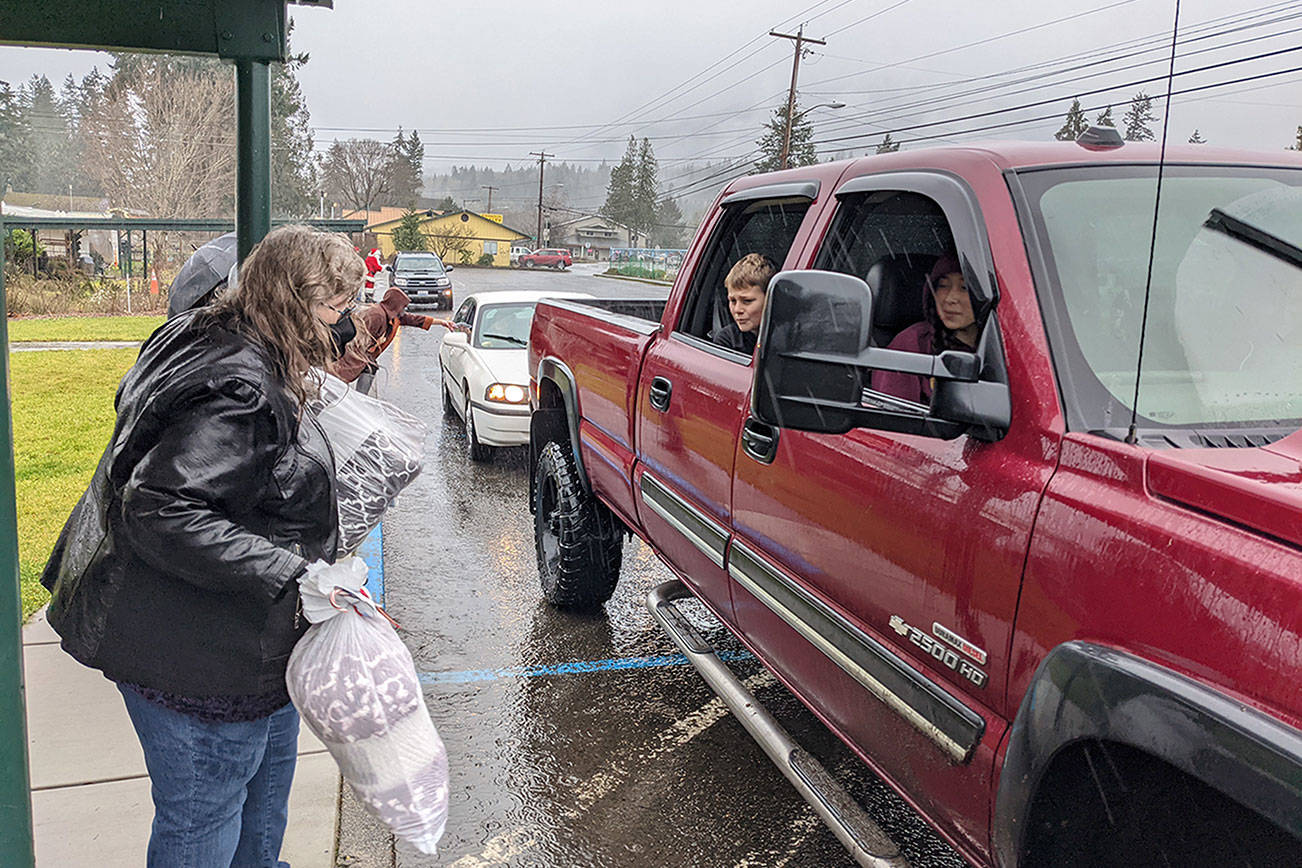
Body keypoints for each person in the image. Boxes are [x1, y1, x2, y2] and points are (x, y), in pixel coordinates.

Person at [40, 224, 363, 868]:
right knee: (203, 820)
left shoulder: (200, 334)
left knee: (259, 801)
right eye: (334, 308)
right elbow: (161, 508)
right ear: (297, 304)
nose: (344, 323)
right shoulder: (240, 387)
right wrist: (291, 571)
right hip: (199, 660)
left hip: (239, 645)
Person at [872, 253, 978, 404]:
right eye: (942, 286)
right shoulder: (911, 344)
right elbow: (893, 419)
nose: (950, 299)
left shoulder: (1004, 348)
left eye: (964, 287)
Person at [334, 284, 449, 391]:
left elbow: (415, 320)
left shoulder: (393, 316)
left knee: (369, 368)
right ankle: (355, 400)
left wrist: (442, 322)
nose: (404, 310)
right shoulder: (376, 315)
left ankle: (359, 399)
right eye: (403, 307)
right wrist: (365, 354)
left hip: (362, 356)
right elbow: (359, 339)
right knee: (337, 383)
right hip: (350, 356)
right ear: (395, 305)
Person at [710, 252, 777, 355]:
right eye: (732, 301)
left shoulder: (789, 335)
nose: (737, 309)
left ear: (770, 299)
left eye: (747, 301)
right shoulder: (728, 340)